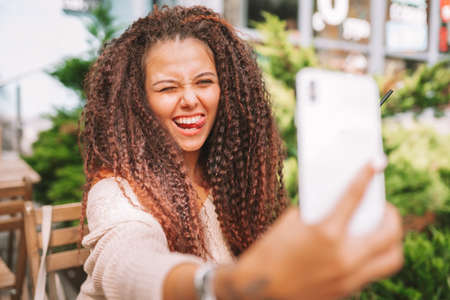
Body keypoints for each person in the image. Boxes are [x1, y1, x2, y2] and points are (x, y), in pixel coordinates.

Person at [77, 5, 403, 300]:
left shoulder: (233, 185)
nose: (190, 99)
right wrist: (228, 284)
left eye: (204, 82)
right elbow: (130, 267)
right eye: (167, 87)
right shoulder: (116, 193)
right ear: (138, 103)